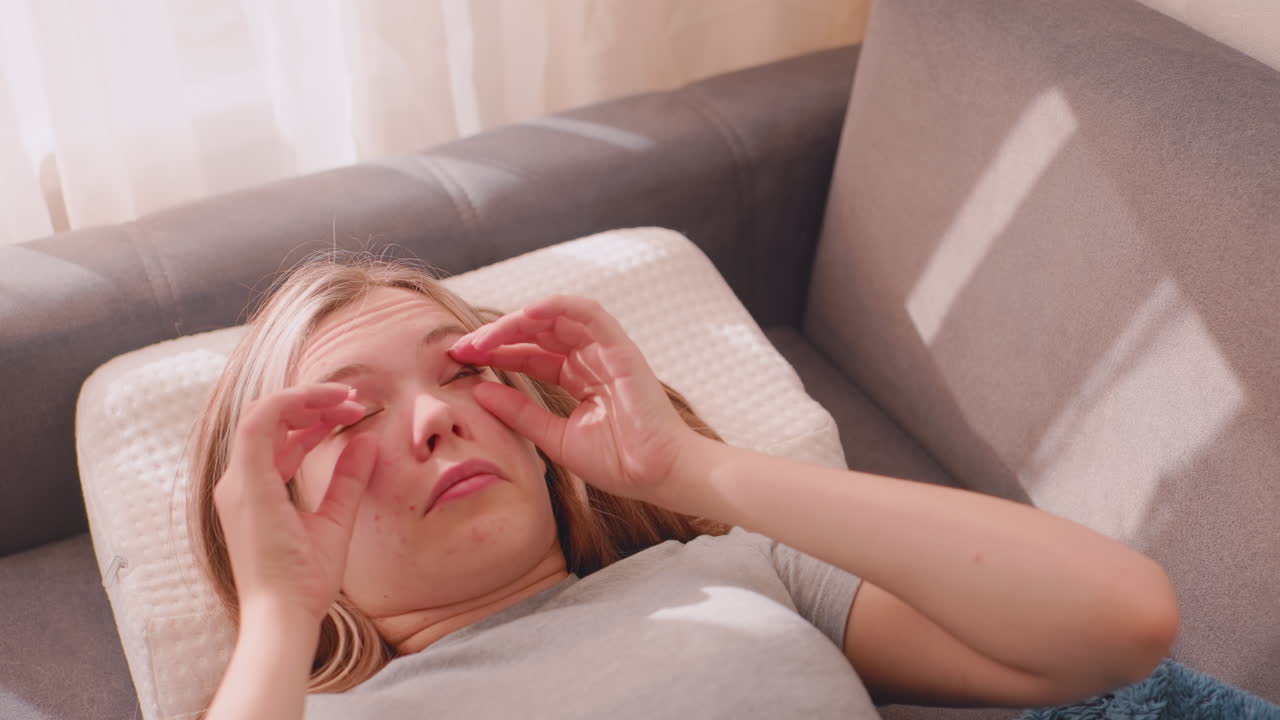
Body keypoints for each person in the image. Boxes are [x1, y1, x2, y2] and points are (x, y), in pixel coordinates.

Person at [189, 253, 1180, 719]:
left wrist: (695, 472)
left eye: (459, 369)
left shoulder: (734, 571)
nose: (432, 417)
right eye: (350, 416)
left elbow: (1119, 623)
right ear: (276, 513)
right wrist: (278, 615)